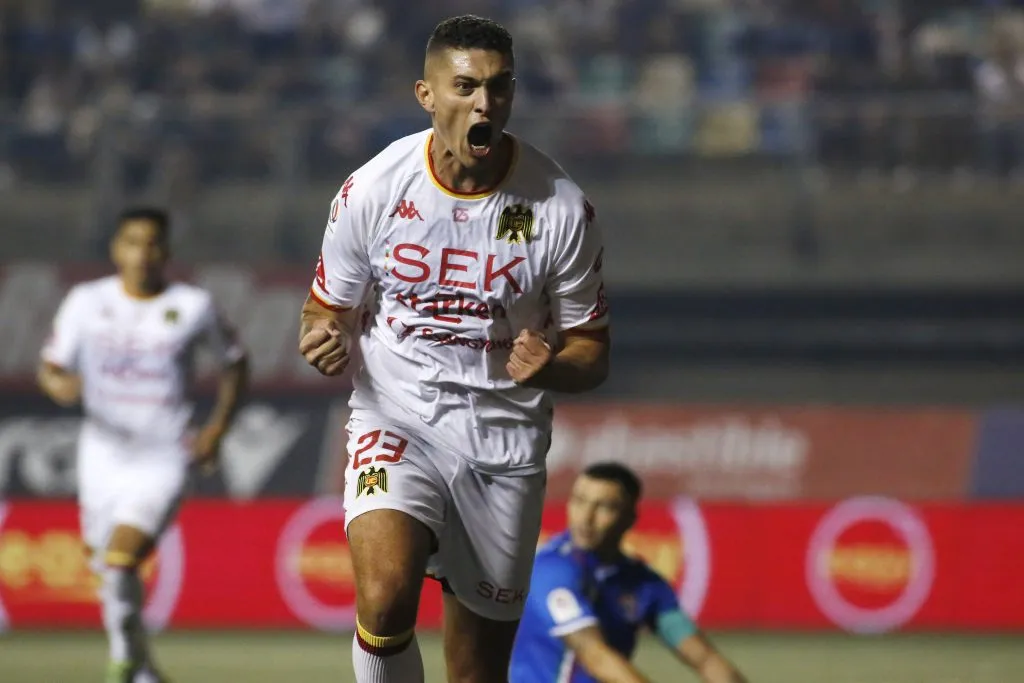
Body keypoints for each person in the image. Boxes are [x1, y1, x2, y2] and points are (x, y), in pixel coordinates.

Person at [297, 14, 610, 683]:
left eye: (498, 89)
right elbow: (324, 311)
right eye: (465, 86)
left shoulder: (557, 207)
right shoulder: (373, 190)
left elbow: (592, 348)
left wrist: (553, 364)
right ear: (427, 94)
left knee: (474, 672)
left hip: (504, 441)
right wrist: (321, 340)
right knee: (383, 599)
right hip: (397, 416)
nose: (484, 104)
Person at [38, 207, 249, 683]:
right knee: (109, 571)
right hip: (101, 455)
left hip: (165, 455)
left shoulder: (192, 305)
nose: (142, 252)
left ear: (167, 251)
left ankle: (120, 664)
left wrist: (216, 429)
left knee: (121, 557)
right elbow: (51, 366)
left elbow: (235, 363)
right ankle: (145, 670)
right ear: (116, 249)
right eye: (132, 242)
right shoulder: (85, 302)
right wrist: (58, 385)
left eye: (152, 242)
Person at [510, 463, 748, 683]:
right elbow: (595, 656)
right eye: (579, 501)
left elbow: (704, 658)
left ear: (629, 518)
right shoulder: (550, 569)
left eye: (604, 507)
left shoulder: (643, 583)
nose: (586, 517)